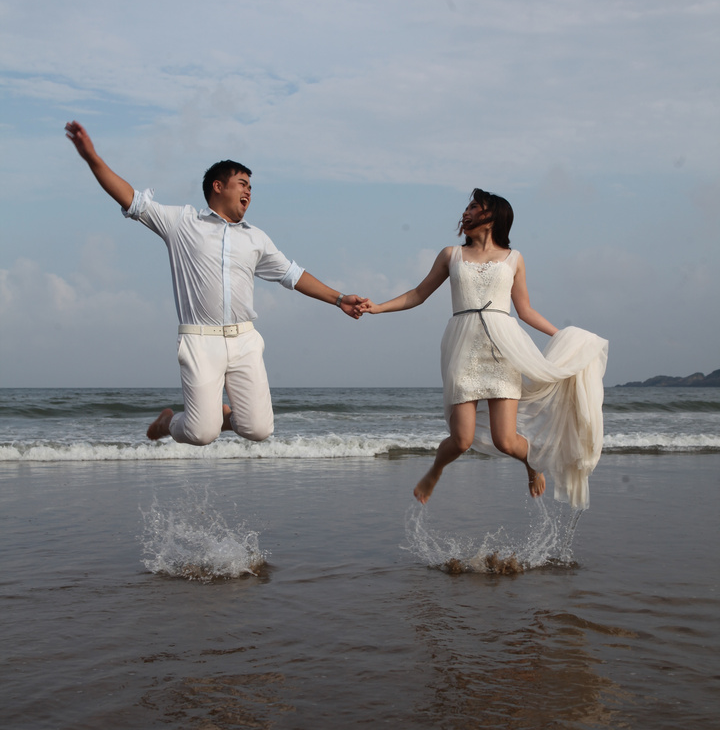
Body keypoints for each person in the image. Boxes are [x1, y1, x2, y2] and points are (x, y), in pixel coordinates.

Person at [65, 121, 365, 445]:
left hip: (244, 340)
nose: (248, 191)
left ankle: (219, 415)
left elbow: (292, 275)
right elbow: (131, 200)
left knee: (259, 430)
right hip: (200, 341)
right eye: (242, 183)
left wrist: (339, 299)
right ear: (218, 187)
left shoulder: (256, 238)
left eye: (251, 186)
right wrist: (91, 156)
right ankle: (169, 422)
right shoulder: (182, 222)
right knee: (200, 433)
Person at [359, 189, 608, 510]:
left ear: (492, 216)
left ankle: (531, 464)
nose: (465, 213)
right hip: (463, 346)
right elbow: (419, 293)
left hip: (504, 348)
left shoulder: (514, 258)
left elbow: (526, 311)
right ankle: (435, 471)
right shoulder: (450, 255)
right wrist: (377, 308)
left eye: (474, 207)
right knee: (461, 440)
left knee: (505, 440)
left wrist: (563, 336)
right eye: (466, 207)